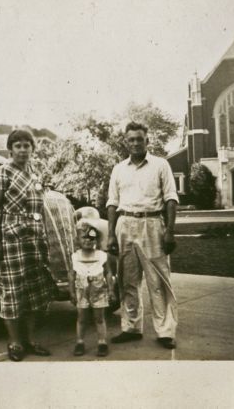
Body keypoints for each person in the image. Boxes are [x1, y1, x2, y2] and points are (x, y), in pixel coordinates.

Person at [106, 121, 179, 349]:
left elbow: (171, 199)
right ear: (125, 142)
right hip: (125, 224)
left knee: (158, 281)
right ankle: (131, 327)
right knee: (128, 281)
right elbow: (112, 203)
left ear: (147, 140)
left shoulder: (160, 165)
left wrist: (169, 231)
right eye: (131, 139)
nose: (136, 143)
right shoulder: (118, 169)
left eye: (140, 139)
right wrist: (110, 235)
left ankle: (165, 331)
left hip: (152, 223)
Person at [0, 129, 56, 361]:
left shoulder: (35, 173)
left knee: (35, 291)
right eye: (18, 146)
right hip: (12, 238)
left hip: (35, 239)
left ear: (32, 149)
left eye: (27, 145)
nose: (23, 150)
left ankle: (31, 339)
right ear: (10, 149)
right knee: (13, 291)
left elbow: (41, 209)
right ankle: (15, 342)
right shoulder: (2, 172)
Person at [69, 219, 115, 357]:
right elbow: (71, 275)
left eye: (91, 238)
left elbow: (108, 273)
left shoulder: (101, 256)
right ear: (78, 239)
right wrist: (71, 291)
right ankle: (80, 341)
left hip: (99, 289)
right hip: (81, 290)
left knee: (99, 318)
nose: (88, 240)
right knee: (81, 318)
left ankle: (102, 342)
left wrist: (111, 290)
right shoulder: (75, 257)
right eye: (84, 237)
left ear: (96, 240)